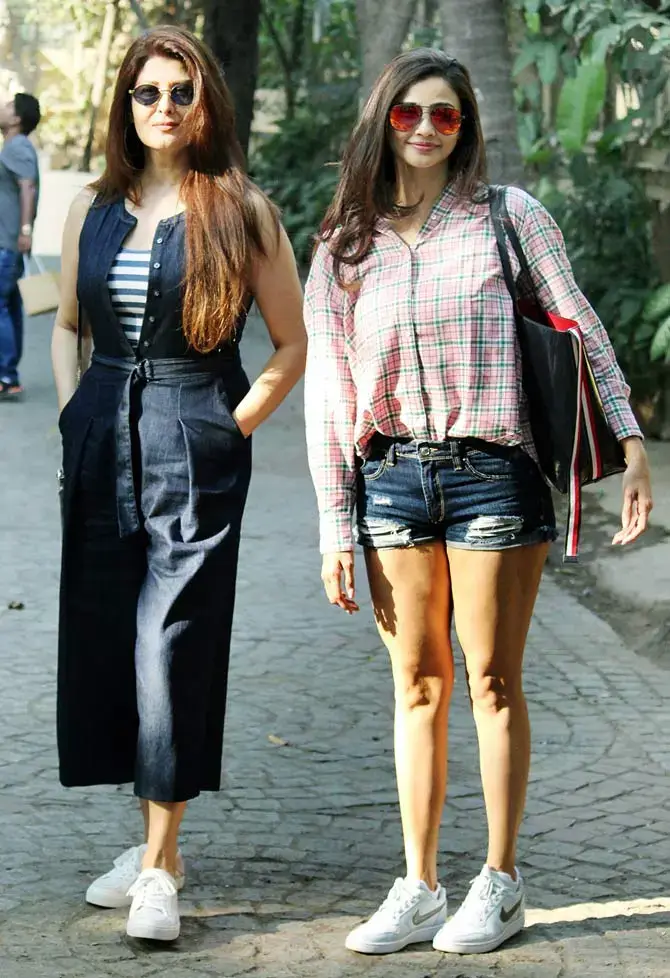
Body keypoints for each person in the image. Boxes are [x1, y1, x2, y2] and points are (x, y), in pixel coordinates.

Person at [304, 48, 652, 957]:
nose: (425, 128)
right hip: (389, 479)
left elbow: (580, 325)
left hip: (493, 472)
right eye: (408, 112)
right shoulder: (345, 243)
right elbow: (330, 393)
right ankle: (419, 886)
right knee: (417, 685)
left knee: (492, 680)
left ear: (464, 128)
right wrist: (334, 521)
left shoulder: (510, 217)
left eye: (444, 114)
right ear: (384, 121)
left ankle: (500, 881)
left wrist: (630, 440)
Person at [51, 26, 306, 942]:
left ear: (207, 105)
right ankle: (153, 843)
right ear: (126, 105)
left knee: (171, 646)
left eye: (181, 92)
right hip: (102, 434)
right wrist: (73, 412)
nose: (164, 107)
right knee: (113, 641)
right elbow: (68, 324)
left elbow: (291, 344)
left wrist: (230, 426)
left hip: (194, 437)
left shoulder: (243, 211)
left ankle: (160, 868)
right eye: (148, 92)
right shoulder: (92, 207)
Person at [0, 92, 41, 397]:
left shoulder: (17, 147)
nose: (2, 108)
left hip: (7, 243)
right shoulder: (15, 146)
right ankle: (9, 374)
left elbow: (28, 187)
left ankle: (5, 374)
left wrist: (25, 230)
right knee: (10, 305)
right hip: (10, 242)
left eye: (8, 106)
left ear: (16, 118)